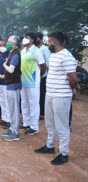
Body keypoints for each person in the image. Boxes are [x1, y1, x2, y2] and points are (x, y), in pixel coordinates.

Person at [34, 31, 77, 165]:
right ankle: (50, 146)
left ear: (54, 42)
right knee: (50, 123)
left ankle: (63, 153)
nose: (47, 44)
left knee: (62, 126)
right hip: (50, 94)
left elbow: (73, 78)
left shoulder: (66, 56)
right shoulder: (53, 55)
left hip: (61, 96)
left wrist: (69, 90)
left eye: (48, 42)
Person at [20, 32, 46, 135]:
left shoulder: (36, 51)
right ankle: (26, 123)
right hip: (23, 81)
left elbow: (43, 66)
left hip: (33, 82)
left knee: (34, 104)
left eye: (26, 37)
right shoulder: (23, 51)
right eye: (24, 37)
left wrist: (39, 76)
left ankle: (34, 127)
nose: (24, 39)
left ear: (32, 40)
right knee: (24, 103)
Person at [0, 35, 22, 141]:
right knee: (12, 109)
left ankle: (15, 132)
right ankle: (12, 129)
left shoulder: (15, 54)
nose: (7, 43)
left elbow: (11, 70)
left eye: (8, 41)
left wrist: (4, 65)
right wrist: (2, 76)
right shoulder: (12, 53)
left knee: (14, 110)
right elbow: (11, 73)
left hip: (13, 85)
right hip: (10, 84)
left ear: (14, 44)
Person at [0, 39, 10, 128]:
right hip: (0, 82)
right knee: (2, 101)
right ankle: (4, 119)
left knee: (7, 102)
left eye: (4, 45)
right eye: (0, 45)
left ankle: (9, 121)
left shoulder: (10, 55)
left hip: (7, 82)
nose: (2, 47)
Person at [36, 32, 50, 120]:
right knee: (36, 95)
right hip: (34, 76)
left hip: (43, 75)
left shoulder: (44, 49)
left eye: (38, 39)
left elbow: (47, 62)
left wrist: (44, 74)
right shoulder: (33, 49)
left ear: (41, 39)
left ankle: (42, 113)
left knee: (41, 94)